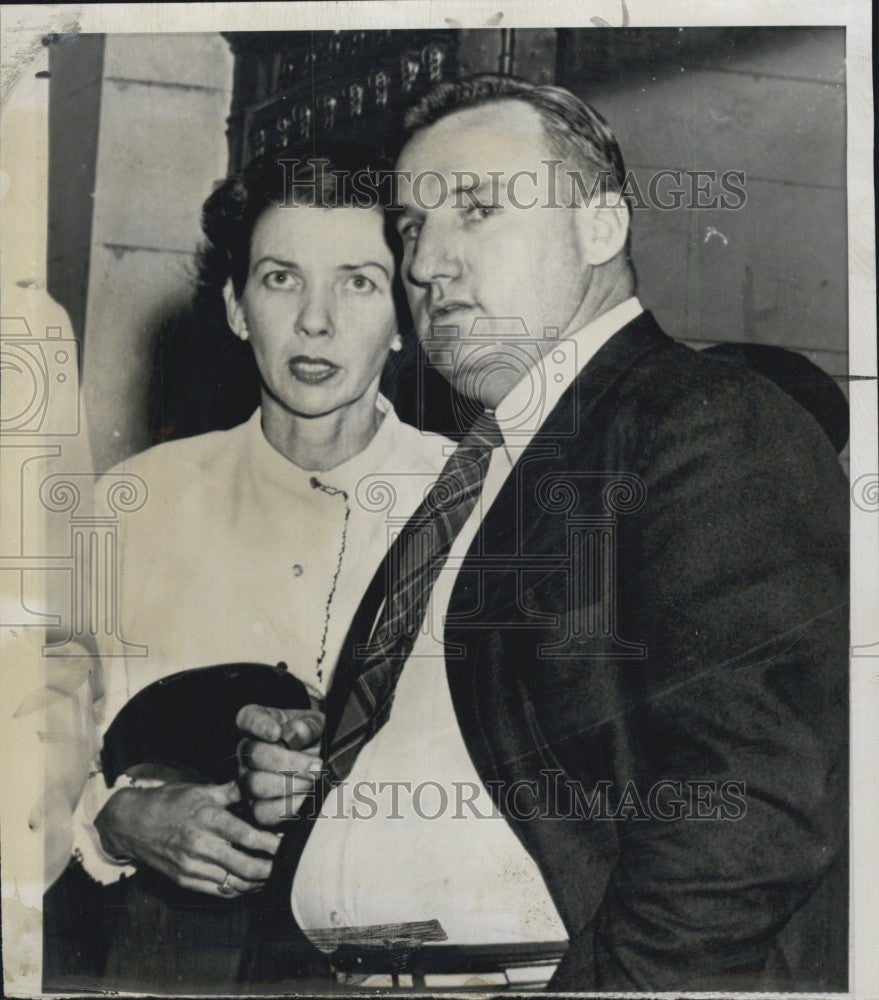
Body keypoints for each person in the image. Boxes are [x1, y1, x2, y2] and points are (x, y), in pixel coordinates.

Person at [239, 76, 849, 993]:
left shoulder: (702, 422)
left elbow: (741, 806)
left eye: (475, 211)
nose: (426, 265)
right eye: (410, 229)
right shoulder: (478, 466)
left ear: (600, 228)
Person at [52, 144, 450, 991]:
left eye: (357, 282)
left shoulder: (472, 503)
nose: (315, 320)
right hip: (166, 960)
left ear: (404, 320)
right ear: (235, 306)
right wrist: (116, 819)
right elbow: (34, 744)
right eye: (279, 279)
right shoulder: (134, 504)